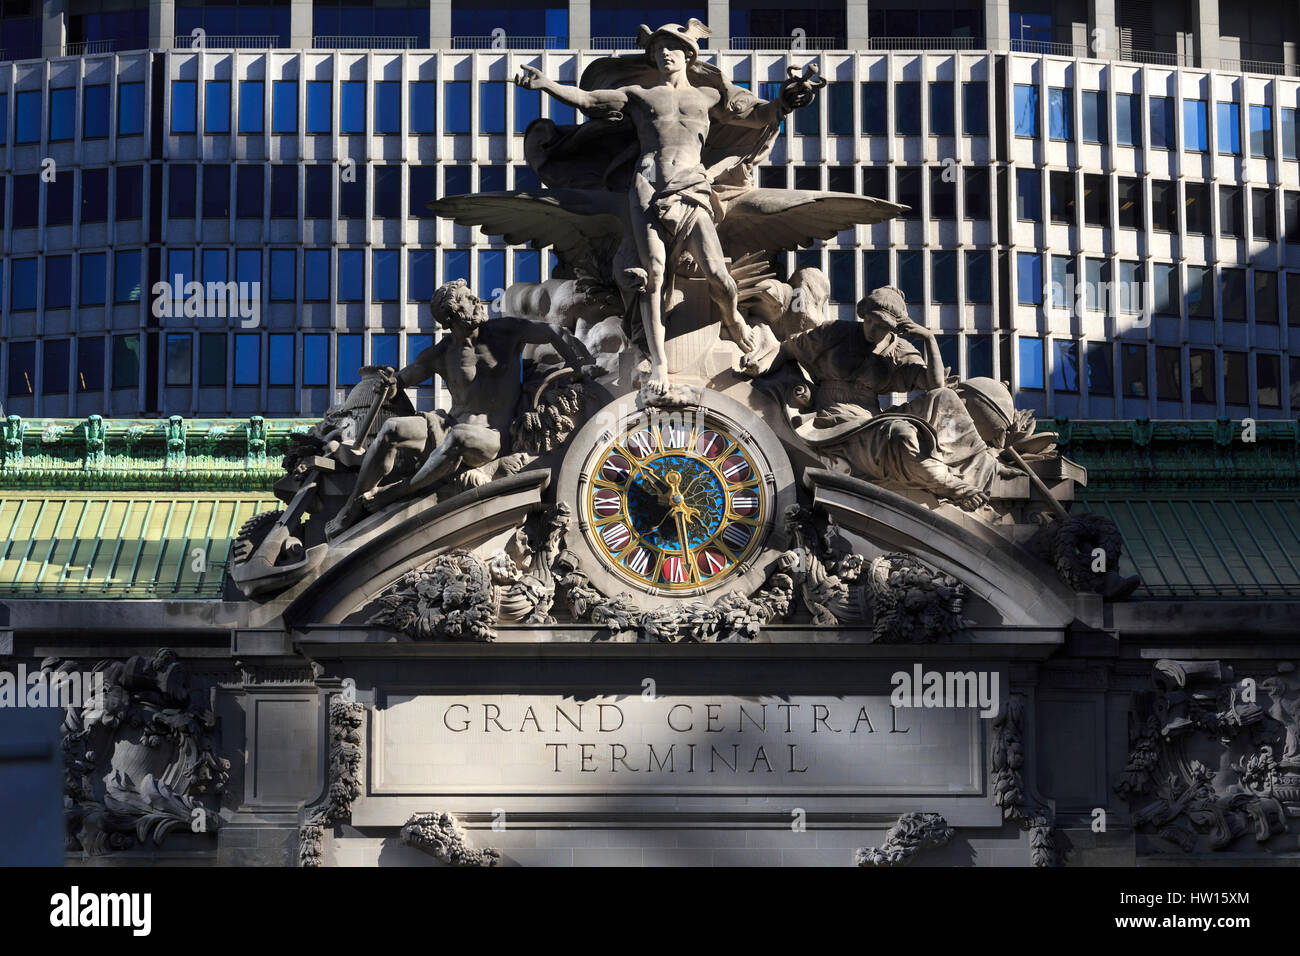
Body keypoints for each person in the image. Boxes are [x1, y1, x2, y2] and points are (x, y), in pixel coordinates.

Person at [515, 21, 817, 394]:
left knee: (718, 274)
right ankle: (658, 364)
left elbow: (757, 115)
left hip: (691, 187)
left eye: (672, 48)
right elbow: (591, 102)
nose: (664, 54)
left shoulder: (708, 96)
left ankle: (734, 318)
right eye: (658, 49)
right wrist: (546, 84)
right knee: (652, 280)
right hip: (647, 188)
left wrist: (786, 101)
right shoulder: (640, 95)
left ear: (689, 55)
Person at [326, 280, 593, 536]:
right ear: (451, 315)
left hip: (495, 436)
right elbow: (404, 379)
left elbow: (552, 333)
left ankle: (398, 492)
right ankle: (352, 507)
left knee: (459, 436)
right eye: (467, 298)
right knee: (391, 429)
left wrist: (581, 365)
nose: (477, 300)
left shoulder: (505, 332)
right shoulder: (441, 353)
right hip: (449, 425)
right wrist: (391, 384)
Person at [746, 286, 1014, 509]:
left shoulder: (896, 350)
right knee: (903, 435)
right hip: (834, 421)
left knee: (943, 397)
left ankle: (982, 464)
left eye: (881, 326)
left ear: (894, 329)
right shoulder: (835, 332)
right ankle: (951, 485)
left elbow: (934, 385)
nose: (873, 329)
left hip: (870, 420)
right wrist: (757, 367)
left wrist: (928, 338)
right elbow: (787, 350)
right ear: (864, 313)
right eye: (870, 320)